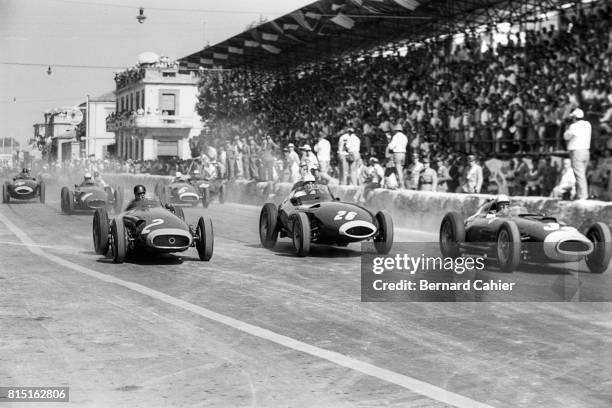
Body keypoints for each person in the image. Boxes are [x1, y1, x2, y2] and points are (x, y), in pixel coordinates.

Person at [563, 108, 591, 199]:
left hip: (577, 152)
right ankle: (580, 194)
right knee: (582, 174)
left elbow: (566, 137)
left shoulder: (574, 126)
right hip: (586, 151)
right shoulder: (588, 124)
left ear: (575, 117)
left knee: (579, 174)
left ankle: (583, 196)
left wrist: (568, 126)